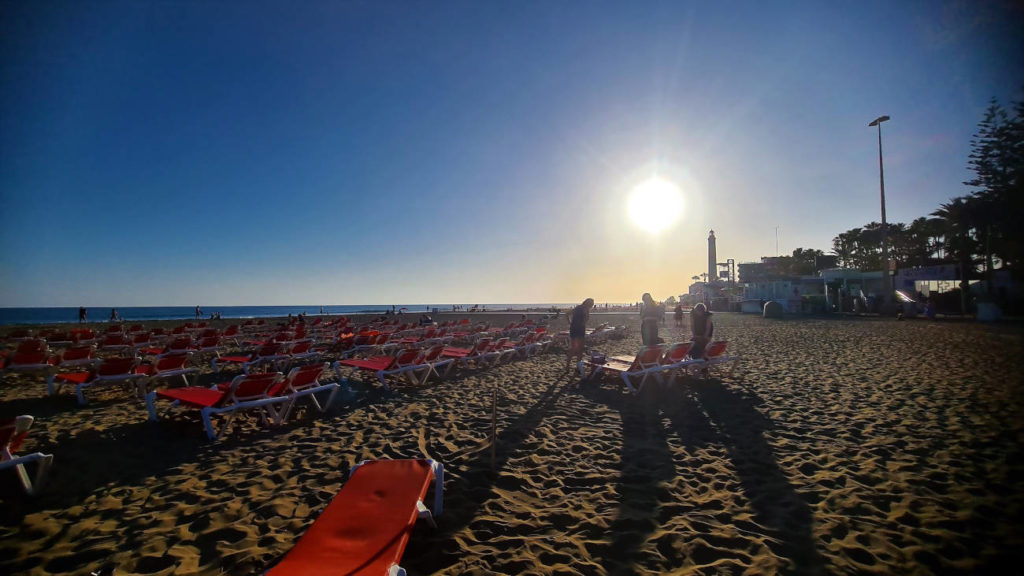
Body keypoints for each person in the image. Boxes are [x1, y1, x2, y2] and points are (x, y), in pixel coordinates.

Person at [567, 298, 595, 371]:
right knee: (579, 349)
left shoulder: (578, 307)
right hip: (579, 329)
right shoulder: (585, 309)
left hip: (573, 328)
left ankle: (568, 366)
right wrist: (583, 323)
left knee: (574, 348)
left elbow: (567, 314)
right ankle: (578, 366)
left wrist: (570, 323)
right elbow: (586, 319)